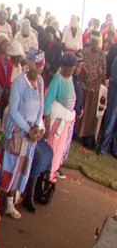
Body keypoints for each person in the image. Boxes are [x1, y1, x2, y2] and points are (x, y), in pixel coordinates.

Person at [0, 47, 45, 219]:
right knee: (10, 167)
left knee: (20, 169)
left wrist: (38, 127)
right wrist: (28, 129)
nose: (38, 73)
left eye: (40, 69)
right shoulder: (19, 82)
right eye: (35, 69)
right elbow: (13, 111)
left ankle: (10, 202)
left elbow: (41, 107)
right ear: (29, 66)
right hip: (18, 132)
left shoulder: (40, 82)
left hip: (31, 134)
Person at [42, 51, 77, 186]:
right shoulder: (57, 79)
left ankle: (52, 172)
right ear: (64, 67)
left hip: (65, 123)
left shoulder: (70, 78)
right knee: (52, 149)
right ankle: (47, 174)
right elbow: (48, 104)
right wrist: (47, 125)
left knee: (59, 150)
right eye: (71, 69)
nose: (72, 71)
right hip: (56, 123)